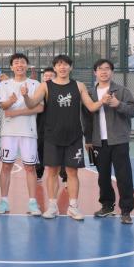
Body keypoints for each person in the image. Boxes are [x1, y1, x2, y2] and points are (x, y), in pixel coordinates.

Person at [22, 54, 105, 221]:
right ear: (55, 68)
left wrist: (103, 100)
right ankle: (52, 206)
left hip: (74, 136)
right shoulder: (45, 86)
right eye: (59, 64)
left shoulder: (79, 86)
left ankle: (73, 207)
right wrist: (25, 96)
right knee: (52, 171)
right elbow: (32, 104)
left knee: (72, 172)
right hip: (52, 136)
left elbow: (91, 106)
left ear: (70, 67)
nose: (62, 67)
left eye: (66, 64)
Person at [84, 59, 134, 224]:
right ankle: (107, 206)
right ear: (95, 72)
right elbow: (86, 118)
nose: (104, 71)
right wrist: (88, 139)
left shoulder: (122, 91)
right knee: (103, 177)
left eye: (107, 68)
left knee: (124, 176)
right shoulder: (90, 93)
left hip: (119, 140)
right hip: (98, 142)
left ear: (112, 72)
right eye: (100, 69)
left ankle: (126, 211)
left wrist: (117, 104)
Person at [0, 53, 44, 215]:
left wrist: (17, 111)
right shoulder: (4, 84)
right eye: (16, 63)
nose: (19, 65)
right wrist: (11, 101)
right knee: (6, 166)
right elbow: (2, 106)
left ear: (27, 65)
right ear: (11, 67)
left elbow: (39, 107)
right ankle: (4, 201)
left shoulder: (35, 84)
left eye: (22, 62)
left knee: (30, 167)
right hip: (8, 132)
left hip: (28, 131)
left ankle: (32, 203)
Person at [36, 67, 68, 189]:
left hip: (58, 128)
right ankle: (38, 173)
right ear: (43, 78)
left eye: (51, 76)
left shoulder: (61, 92)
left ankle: (65, 176)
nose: (48, 77)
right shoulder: (39, 91)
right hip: (42, 127)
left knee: (61, 152)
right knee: (40, 150)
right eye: (46, 76)